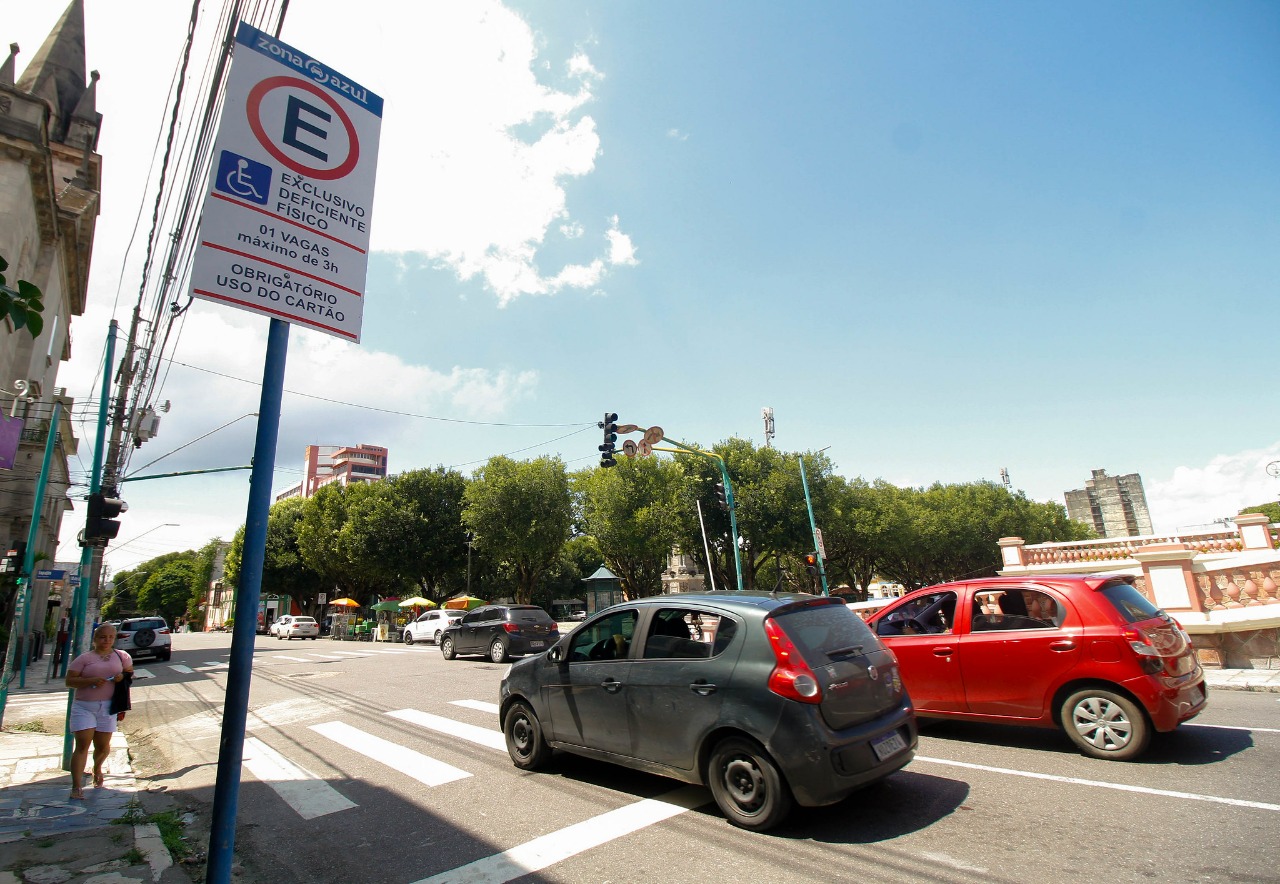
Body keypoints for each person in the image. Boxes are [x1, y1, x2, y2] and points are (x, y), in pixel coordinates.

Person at [65, 623, 132, 800]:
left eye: (111, 637)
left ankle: (97, 768)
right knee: (82, 745)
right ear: (95, 639)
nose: (107, 641)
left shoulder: (122, 656)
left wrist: (121, 677)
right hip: (85, 706)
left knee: (102, 746)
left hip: (109, 707)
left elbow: (129, 674)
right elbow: (70, 681)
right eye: (103, 637)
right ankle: (76, 786)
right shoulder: (84, 659)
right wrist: (90, 680)